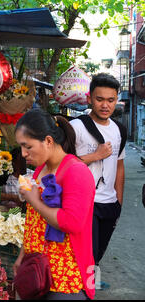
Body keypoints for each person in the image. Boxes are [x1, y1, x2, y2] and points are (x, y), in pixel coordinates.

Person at [12, 108, 96, 300]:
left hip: (65, 275)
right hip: (37, 269)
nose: (23, 154)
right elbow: (34, 222)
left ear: (48, 141)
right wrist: (22, 257)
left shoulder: (76, 171)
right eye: (21, 147)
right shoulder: (41, 169)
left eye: (28, 146)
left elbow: (71, 222)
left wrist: (34, 200)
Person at [70, 73, 125, 290]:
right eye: (99, 99)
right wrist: (95, 156)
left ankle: (90, 285)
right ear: (90, 98)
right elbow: (62, 163)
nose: (105, 105)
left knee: (99, 250)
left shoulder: (119, 129)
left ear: (116, 99)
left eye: (110, 100)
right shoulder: (76, 126)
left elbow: (119, 167)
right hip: (84, 201)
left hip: (109, 202)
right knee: (86, 251)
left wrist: (119, 200)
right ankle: (81, 289)